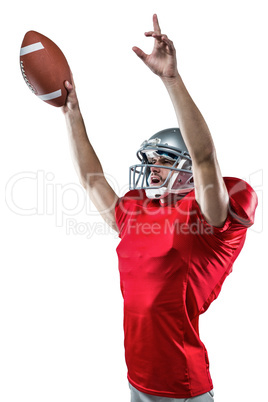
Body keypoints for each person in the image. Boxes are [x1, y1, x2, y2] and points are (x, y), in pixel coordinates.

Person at [62, 14, 258, 402]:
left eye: (164, 161)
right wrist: (71, 114)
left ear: (187, 171)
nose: (153, 170)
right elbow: (92, 180)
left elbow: (204, 158)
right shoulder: (137, 213)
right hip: (137, 376)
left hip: (180, 385)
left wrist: (171, 80)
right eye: (150, 161)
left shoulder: (208, 219)